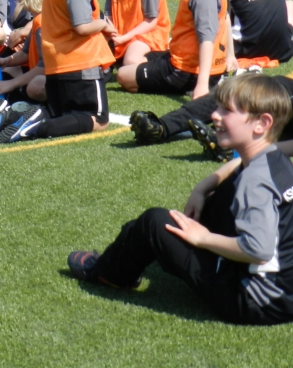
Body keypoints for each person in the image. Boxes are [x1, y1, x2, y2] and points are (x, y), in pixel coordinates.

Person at [68, 74, 293, 325]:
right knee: (221, 193)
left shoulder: (255, 181)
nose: (215, 115)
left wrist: (203, 238)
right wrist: (201, 189)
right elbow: (238, 167)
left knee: (154, 223)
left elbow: (258, 249)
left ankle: (108, 273)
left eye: (227, 110)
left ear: (262, 123)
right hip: (283, 293)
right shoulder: (273, 160)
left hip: (253, 300)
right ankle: (132, 248)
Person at [0, 0, 116, 144]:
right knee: (99, 120)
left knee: (62, 113)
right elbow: (82, 26)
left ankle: (10, 116)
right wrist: (103, 24)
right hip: (81, 63)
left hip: (56, 64)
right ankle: (35, 128)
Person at [120, 0, 232, 146]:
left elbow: (207, 39)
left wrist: (201, 84)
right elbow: (225, 18)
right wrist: (230, 56)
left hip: (184, 70)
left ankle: (194, 86)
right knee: (135, 58)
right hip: (185, 60)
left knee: (124, 75)